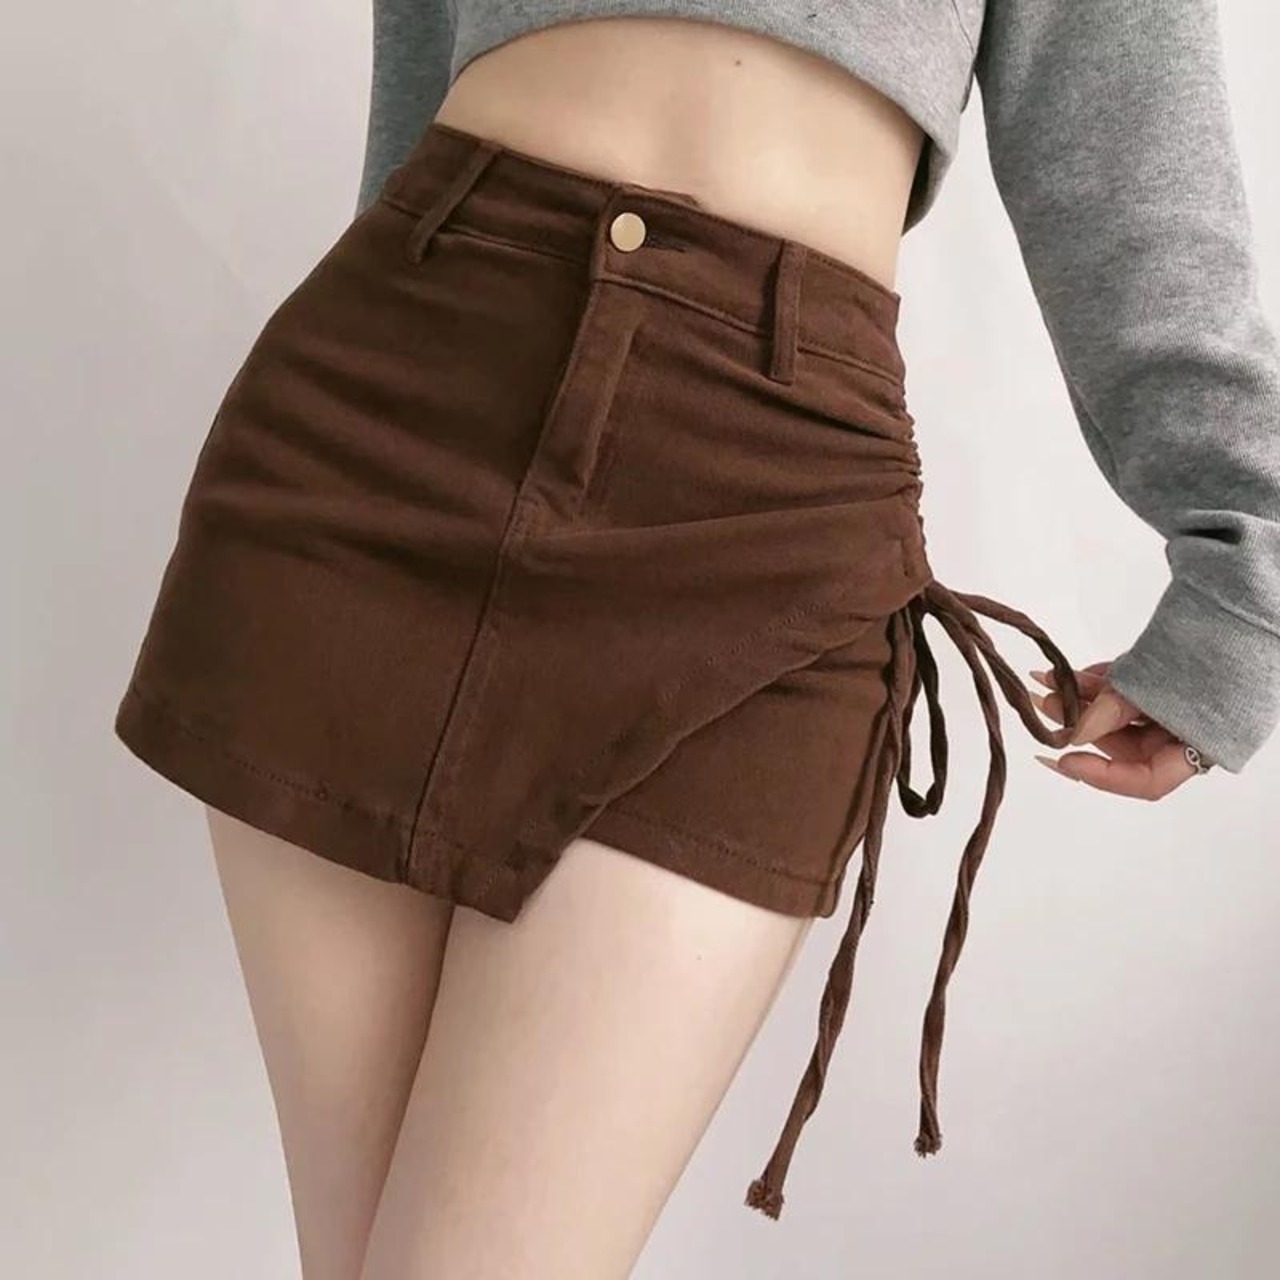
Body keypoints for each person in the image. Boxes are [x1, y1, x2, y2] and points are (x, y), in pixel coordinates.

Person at [114, 4, 1280, 1277]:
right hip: (380, 426)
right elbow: (422, 66)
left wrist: (1244, 583)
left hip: (761, 506)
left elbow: (1127, 146)